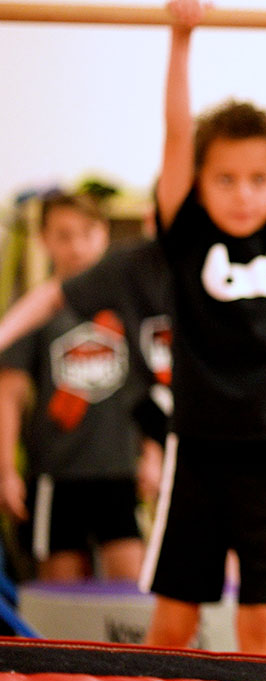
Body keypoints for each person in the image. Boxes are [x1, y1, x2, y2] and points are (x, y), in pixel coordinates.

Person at [139, 0, 266, 655]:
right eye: (225, 178)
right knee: (175, 619)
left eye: (258, 178)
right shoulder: (186, 231)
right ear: (197, 182)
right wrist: (180, 40)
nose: (243, 193)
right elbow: (176, 134)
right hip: (198, 443)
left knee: (263, 620)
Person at [0, 192, 155, 584]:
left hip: (120, 472)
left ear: (104, 233)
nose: (77, 246)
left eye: (87, 233)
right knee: (59, 594)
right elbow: (9, 395)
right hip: (57, 475)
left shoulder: (128, 305)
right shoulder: (35, 310)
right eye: (64, 236)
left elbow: (152, 387)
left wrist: (152, 454)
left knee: (129, 593)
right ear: (44, 241)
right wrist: (6, 471)